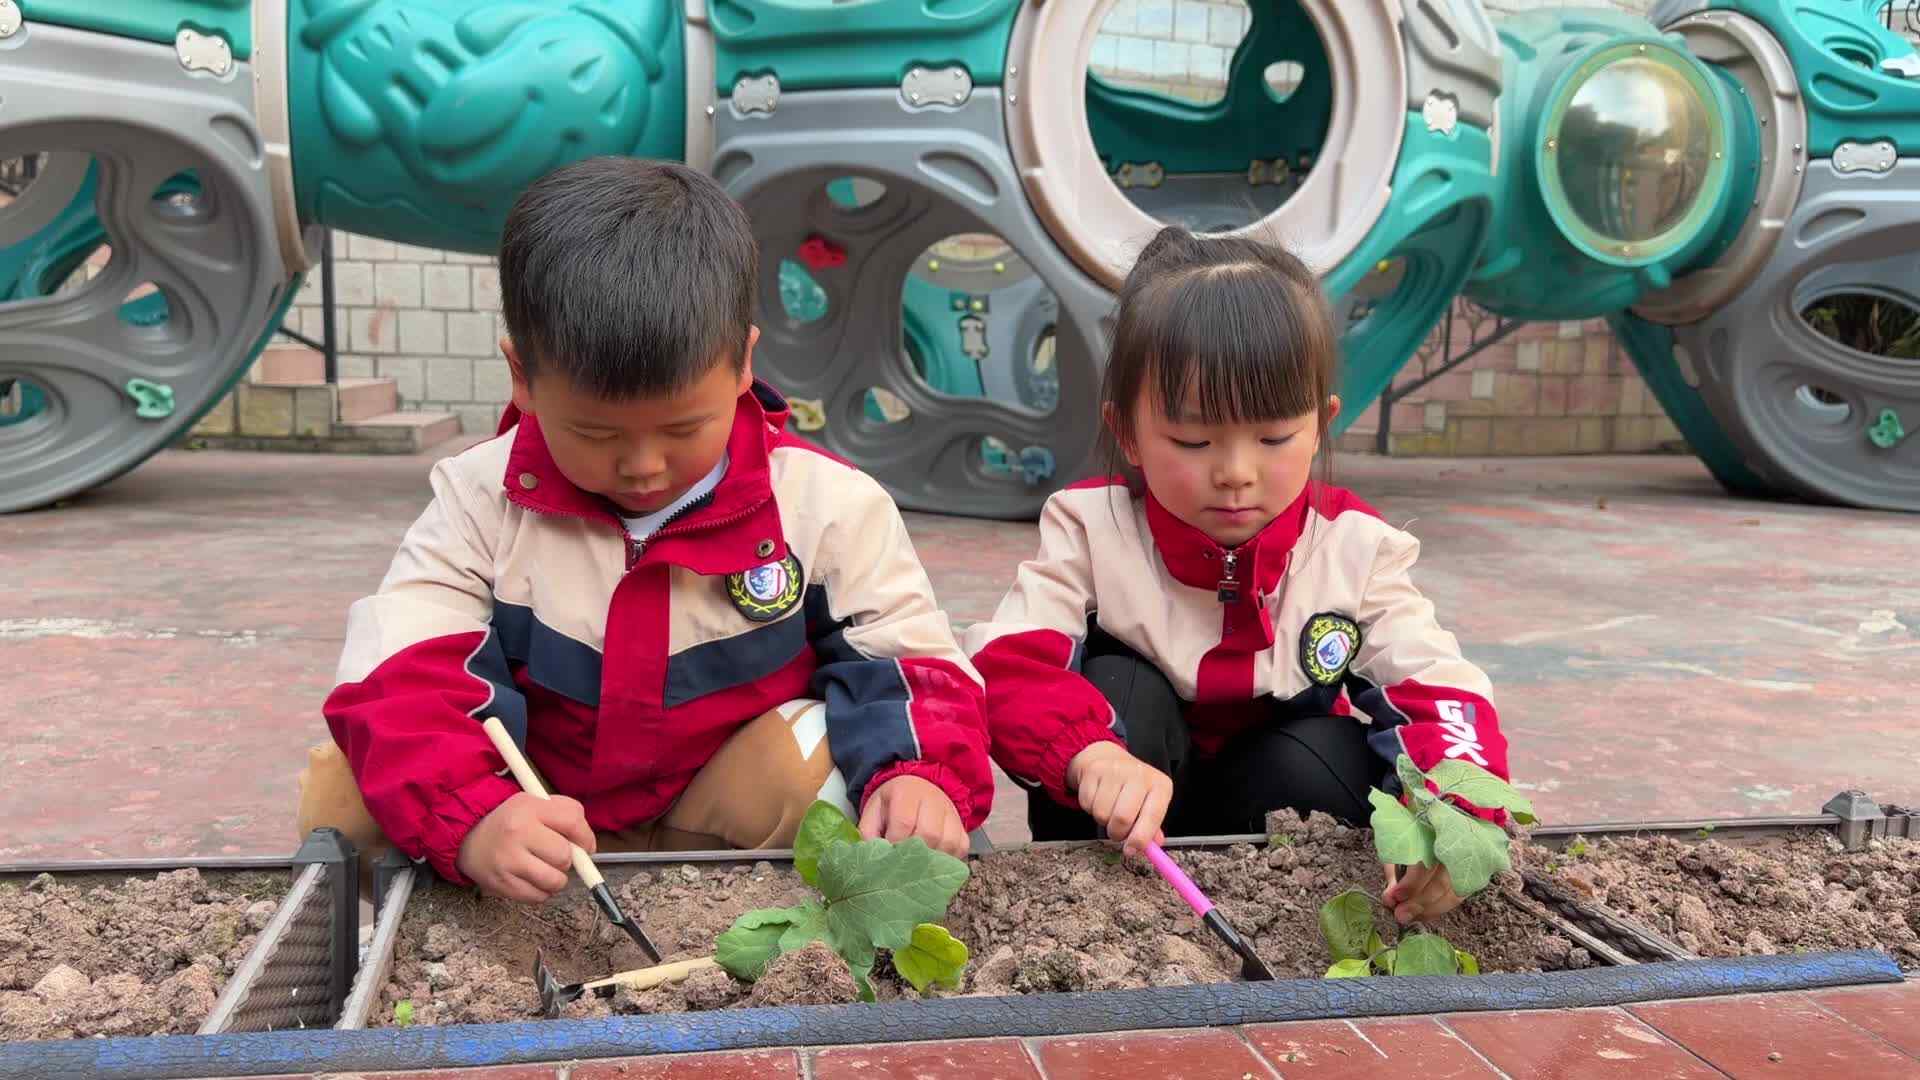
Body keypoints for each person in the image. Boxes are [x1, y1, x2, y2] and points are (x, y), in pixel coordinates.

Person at [297, 157, 991, 903]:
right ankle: (458, 923)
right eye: (594, 433)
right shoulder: (478, 497)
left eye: (683, 426)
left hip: (717, 806)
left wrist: (921, 775)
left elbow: (907, 656)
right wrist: (476, 815)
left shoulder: (825, 503)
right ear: (522, 377)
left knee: (847, 778)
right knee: (344, 793)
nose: (643, 466)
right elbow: (404, 669)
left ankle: (784, 924)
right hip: (538, 810)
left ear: (743, 361)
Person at [965, 226, 1510, 925]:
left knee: (1324, 753)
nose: (1236, 473)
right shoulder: (1089, 529)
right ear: (1126, 431)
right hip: (1129, 834)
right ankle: (1105, 906)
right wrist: (1087, 753)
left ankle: (1297, 908)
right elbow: (1007, 665)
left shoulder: (1355, 550)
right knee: (1121, 690)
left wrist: (1459, 813)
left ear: (1321, 425)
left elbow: (1437, 689)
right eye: (1193, 441)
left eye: (1275, 437)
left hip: (1272, 820)